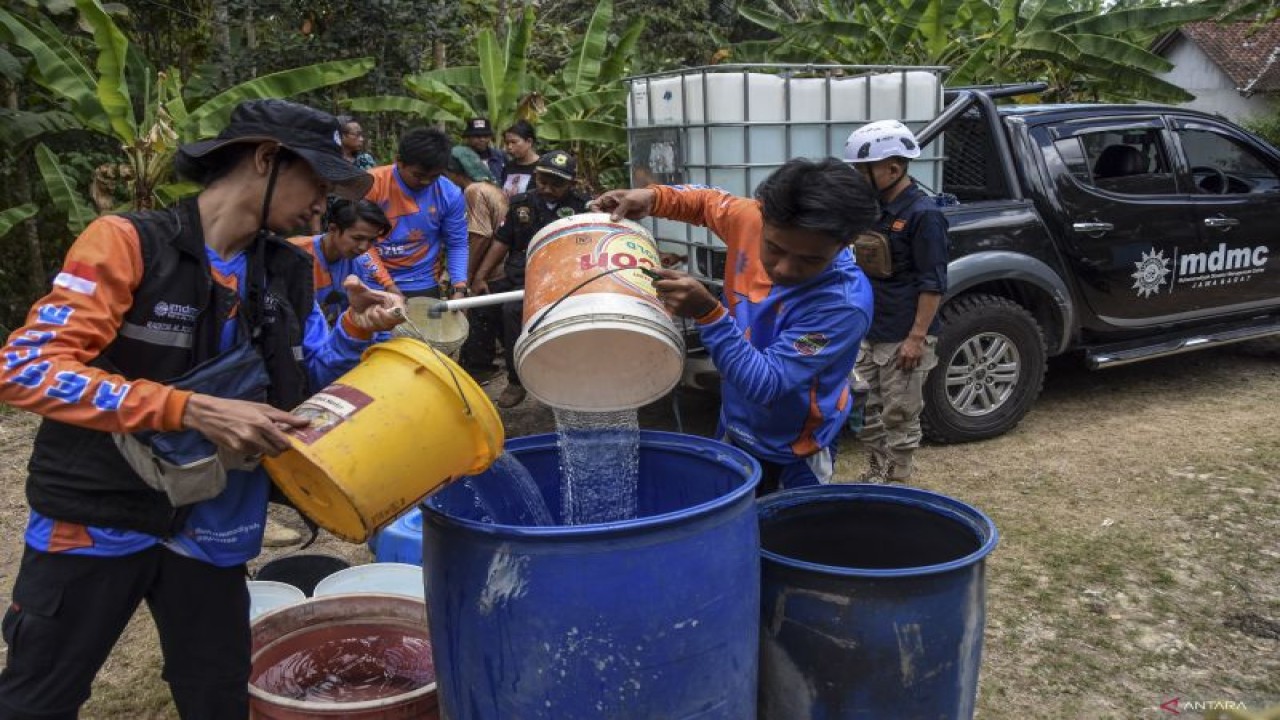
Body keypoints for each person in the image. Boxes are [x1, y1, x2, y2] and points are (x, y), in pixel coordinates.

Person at [0, 99, 404, 719]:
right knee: (39, 697)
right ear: (266, 159)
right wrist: (189, 409)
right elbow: (25, 369)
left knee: (216, 693)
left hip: (215, 524)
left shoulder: (288, 268)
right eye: (318, 182)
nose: (325, 202)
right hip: (97, 514)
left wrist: (353, 329)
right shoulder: (128, 243)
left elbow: (301, 381)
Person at [593, 158, 878, 493]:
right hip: (733, 426)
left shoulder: (842, 305)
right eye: (774, 249)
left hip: (793, 450)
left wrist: (709, 314)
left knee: (779, 535)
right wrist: (652, 198)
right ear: (763, 219)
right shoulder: (751, 219)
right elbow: (706, 203)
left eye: (810, 259)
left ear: (844, 244)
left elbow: (767, 385)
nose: (785, 268)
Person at [843, 119, 949, 484]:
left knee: (899, 415)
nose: (858, 176)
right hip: (872, 329)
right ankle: (875, 474)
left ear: (893, 168)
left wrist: (917, 338)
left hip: (903, 335)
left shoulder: (924, 215)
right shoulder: (873, 209)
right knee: (869, 412)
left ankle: (898, 482)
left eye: (864, 168)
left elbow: (933, 283)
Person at [473, 150, 590, 408]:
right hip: (522, 277)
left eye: (557, 184)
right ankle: (506, 376)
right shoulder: (521, 203)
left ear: (571, 184)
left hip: (564, 281)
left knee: (513, 310)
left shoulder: (584, 207)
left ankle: (566, 377)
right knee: (483, 303)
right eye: (542, 181)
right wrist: (480, 276)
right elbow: (502, 242)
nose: (547, 188)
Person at [365, 128, 469, 300]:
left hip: (422, 282)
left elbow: (457, 243)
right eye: (418, 175)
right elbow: (360, 243)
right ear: (399, 161)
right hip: (370, 280)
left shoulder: (450, 194)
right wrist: (388, 286)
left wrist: (459, 286)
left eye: (433, 176)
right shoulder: (371, 184)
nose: (426, 182)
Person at [446, 147, 509, 384]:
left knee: (480, 320)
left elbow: (481, 234)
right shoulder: (492, 187)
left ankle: (479, 370)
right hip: (501, 264)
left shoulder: (474, 190)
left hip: (490, 267)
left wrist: (467, 273)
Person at [289, 198, 401, 326]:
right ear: (333, 229)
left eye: (371, 240)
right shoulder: (294, 253)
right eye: (357, 238)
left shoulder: (357, 262)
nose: (364, 247)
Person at [499, 119, 540, 199]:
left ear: (529, 142)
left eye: (514, 142)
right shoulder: (508, 166)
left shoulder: (542, 166)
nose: (509, 147)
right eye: (507, 143)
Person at [462, 116, 506, 183]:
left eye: (486, 136)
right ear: (468, 138)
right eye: (477, 136)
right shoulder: (459, 158)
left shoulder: (500, 156)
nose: (482, 139)